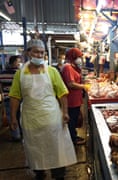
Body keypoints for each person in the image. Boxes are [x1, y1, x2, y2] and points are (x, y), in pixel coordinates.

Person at [9, 39, 77, 180]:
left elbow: (62, 93)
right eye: (36, 52)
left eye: (42, 53)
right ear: (28, 53)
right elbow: (15, 96)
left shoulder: (52, 71)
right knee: (35, 150)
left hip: (51, 118)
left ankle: (59, 175)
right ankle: (39, 174)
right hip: (31, 120)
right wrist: (13, 118)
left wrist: (65, 112)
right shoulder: (20, 74)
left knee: (56, 148)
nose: (39, 55)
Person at [61, 48, 86, 145]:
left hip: (75, 99)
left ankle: (73, 136)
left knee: (74, 119)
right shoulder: (67, 67)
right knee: (71, 120)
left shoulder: (72, 66)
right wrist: (84, 86)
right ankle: (72, 139)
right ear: (73, 56)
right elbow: (70, 84)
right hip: (71, 100)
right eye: (78, 56)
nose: (80, 59)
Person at [0, 55, 22, 141]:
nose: (19, 64)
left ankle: (16, 135)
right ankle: (20, 134)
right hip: (18, 98)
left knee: (11, 117)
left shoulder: (2, 73)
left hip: (7, 98)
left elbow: (0, 87)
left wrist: (2, 95)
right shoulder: (19, 73)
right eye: (18, 62)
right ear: (13, 63)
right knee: (18, 116)